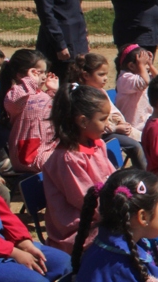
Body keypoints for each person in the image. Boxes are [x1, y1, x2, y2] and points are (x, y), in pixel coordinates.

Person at [43, 84, 116, 253]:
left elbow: (114, 180)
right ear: (83, 121)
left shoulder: (97, 144)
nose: (108, 125)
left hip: (102, 214)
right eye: (103, 119)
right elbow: (88, 202)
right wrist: (118, 212)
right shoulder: (67, 159)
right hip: (80, 230)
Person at [71, 53, 147, 169]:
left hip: (114, 129)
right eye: (101, 74)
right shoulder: (84, 96)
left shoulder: (100, 91)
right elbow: (95, 123)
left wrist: (121, 122)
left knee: (146, 139)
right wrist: (116, 128)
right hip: (100, 134)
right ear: (86, 75)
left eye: (106, 74)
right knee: (135, 146)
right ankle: (144, 174)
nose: (105, 78)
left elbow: (112, 111)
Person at [0, 195, 71, 282]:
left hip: (7, 242)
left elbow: (5, 216)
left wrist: (24, 243)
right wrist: (14, 252)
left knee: (62, 263)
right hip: (1, 254)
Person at [0, 49, 58, 173]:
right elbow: (14, 102)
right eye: (39, 72)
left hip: (47, 149)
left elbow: (51, 109)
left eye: (45, 72)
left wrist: (53, 91)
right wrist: (30, 81)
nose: (44, 76)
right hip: (29, 155)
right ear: (20, 75)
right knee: (65, 161)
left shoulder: (42, 94)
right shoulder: (16, 95)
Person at [114, 45, 156, 132]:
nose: (147, 67)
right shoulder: (125, 78)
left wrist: (150, 65)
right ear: (131, 66)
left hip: (145, 124)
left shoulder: (142, 75)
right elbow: (144, 82)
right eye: (145, 64)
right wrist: (141, 65)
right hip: (132, 127)